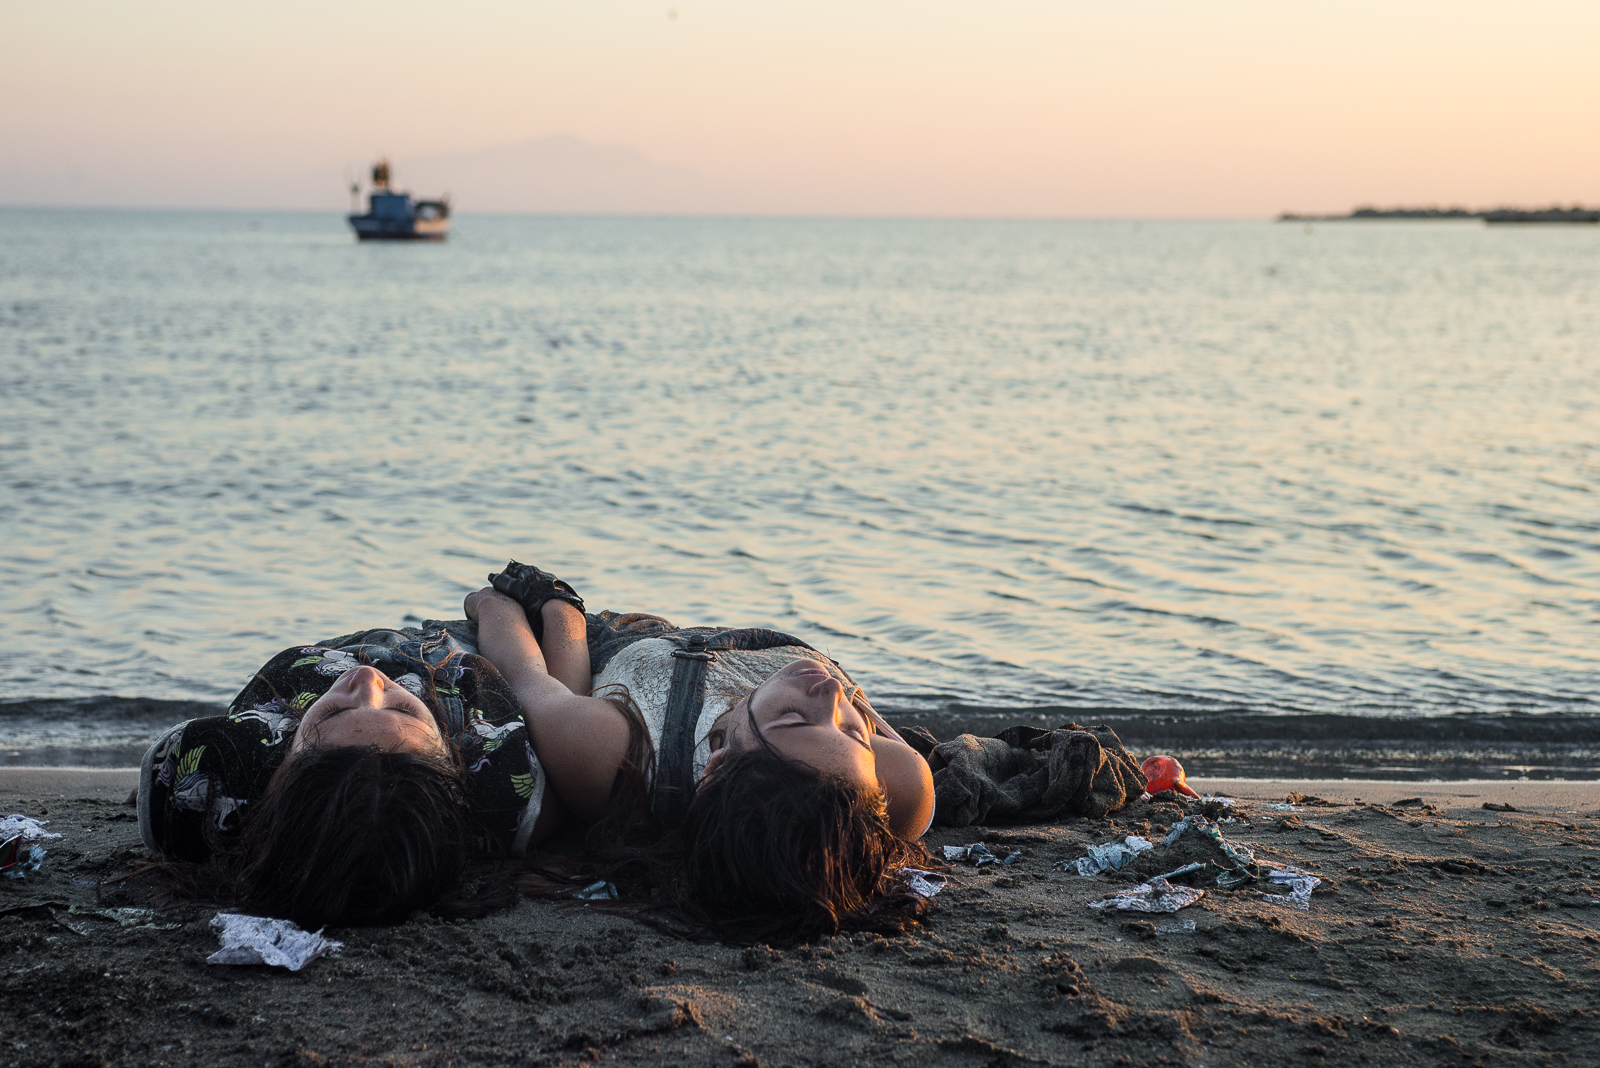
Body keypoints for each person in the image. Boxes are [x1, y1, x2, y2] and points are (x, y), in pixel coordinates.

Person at [466, 561, 937, 942]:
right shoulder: (897, 784)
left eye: (793, 718)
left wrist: (536, 604)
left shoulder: (624, 753)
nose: (833, 693)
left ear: (718, 764)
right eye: (853, 732)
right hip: (706, 649)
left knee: (568, 709)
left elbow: (529, 680)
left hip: (630, 652)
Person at [139, 617, 587, 928]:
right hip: (454, 649)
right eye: (403, 712)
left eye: (332, 715)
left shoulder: (219, 770)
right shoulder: (503, 786)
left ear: (284, 770)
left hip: (330, 655)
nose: (370, 679)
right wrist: (516, 610)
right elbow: (555, 698)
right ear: (451, 763)